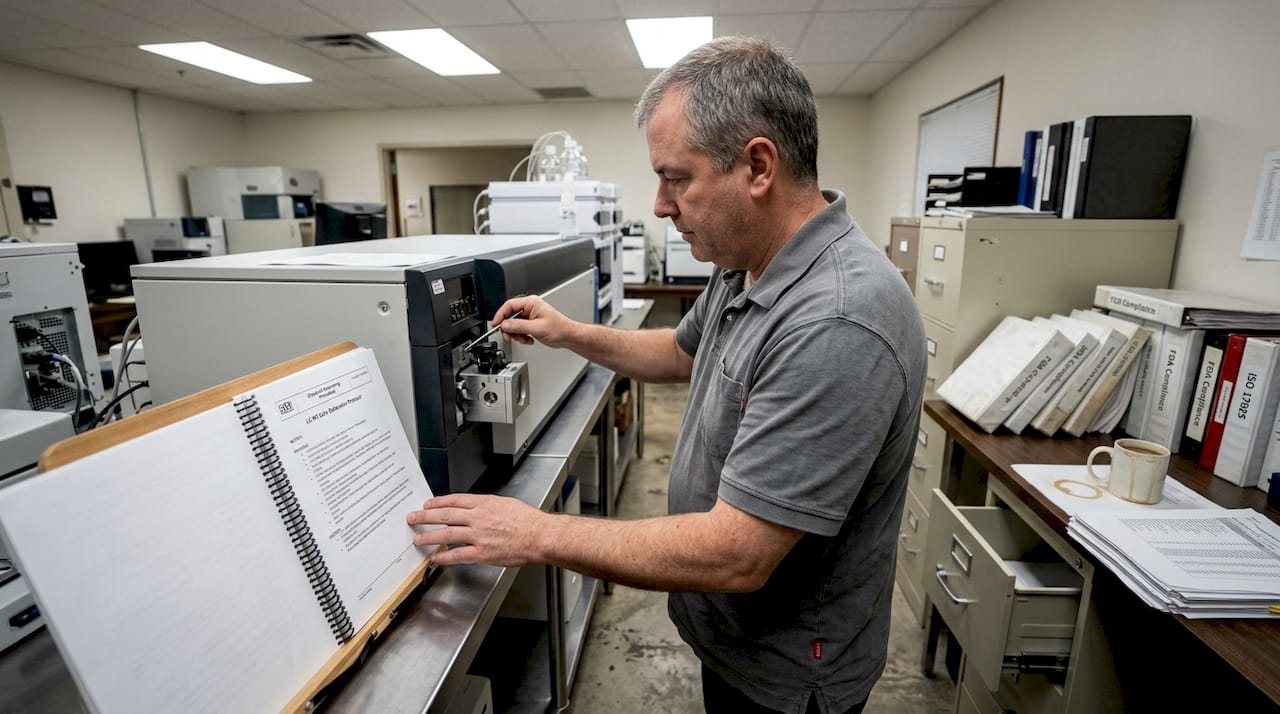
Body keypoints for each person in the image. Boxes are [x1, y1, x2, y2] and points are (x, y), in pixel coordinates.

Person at [407, 36, 926, 714]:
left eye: (675, 177)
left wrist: (537, 534)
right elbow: (681, 352)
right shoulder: (748, 259)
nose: (658, 205)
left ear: (758, 166)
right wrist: (570, 334)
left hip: (787, 672)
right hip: (733, 639)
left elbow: (738, 553)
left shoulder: (837, 320)